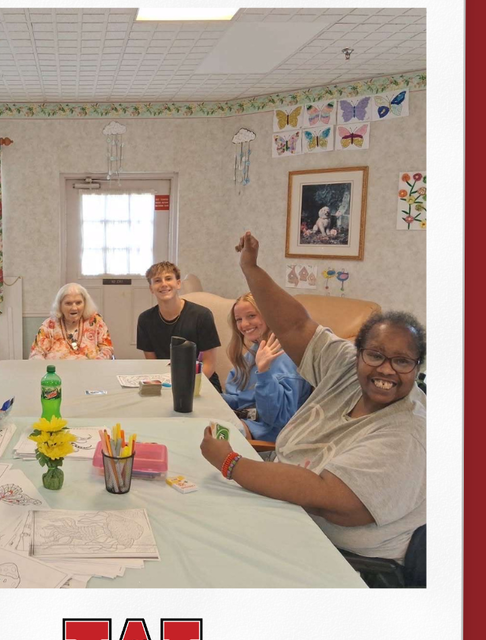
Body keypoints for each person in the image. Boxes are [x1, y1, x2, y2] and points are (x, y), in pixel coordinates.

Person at [200, 231, 425, 563]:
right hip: (283, 514)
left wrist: (231, 463)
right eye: (375, 355)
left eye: (402, 361)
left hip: (340, 559)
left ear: (418, 367)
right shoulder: (347, 366)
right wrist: (250, 268)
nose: (386, 370)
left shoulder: (407, 433)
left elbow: (327, 498)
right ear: (358, 353)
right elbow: (293, 325)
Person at [222, 293, 312, 442]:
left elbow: (278, 418)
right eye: (239, 319)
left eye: (251, 316)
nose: (244, 324)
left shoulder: (287, 357)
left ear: (269, 314)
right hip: (245, 421)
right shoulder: (257, 350)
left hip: (266, 436)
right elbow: (240, 398)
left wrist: (263, 373)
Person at [136, 261, 222, 391]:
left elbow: (209, 364)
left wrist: (186, 387)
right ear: (151, 288)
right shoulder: (145, 320)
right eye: (157, 280)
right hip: (165, 384)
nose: (164, 284)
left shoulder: (202, 315)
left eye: (168, 278)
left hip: (201, 381)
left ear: (178, 283)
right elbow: (152, 363)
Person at [29, 283, 114, 360]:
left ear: (85, 303)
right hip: (57, 374)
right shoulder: (49, 324)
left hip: (90, 372)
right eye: (68, 303)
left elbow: (107, 349)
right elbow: (36, 353)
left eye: (78, 303)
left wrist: (96, 365)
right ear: (60, 305)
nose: (74, 308)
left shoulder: (95, 321)